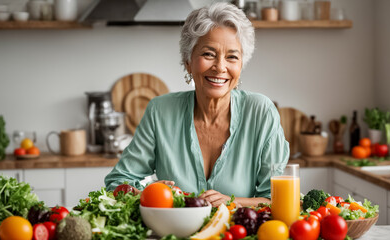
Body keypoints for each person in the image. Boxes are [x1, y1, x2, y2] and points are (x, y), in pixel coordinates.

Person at [105, 2, 289, 207]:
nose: (220, 67)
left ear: (240, 65)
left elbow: (278, 199)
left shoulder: (261, 112)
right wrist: (149, 194)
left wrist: (231, 202)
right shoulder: (160, 111)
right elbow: (117, 183)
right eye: (208, 54)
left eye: (232, 57)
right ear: (188, 62)